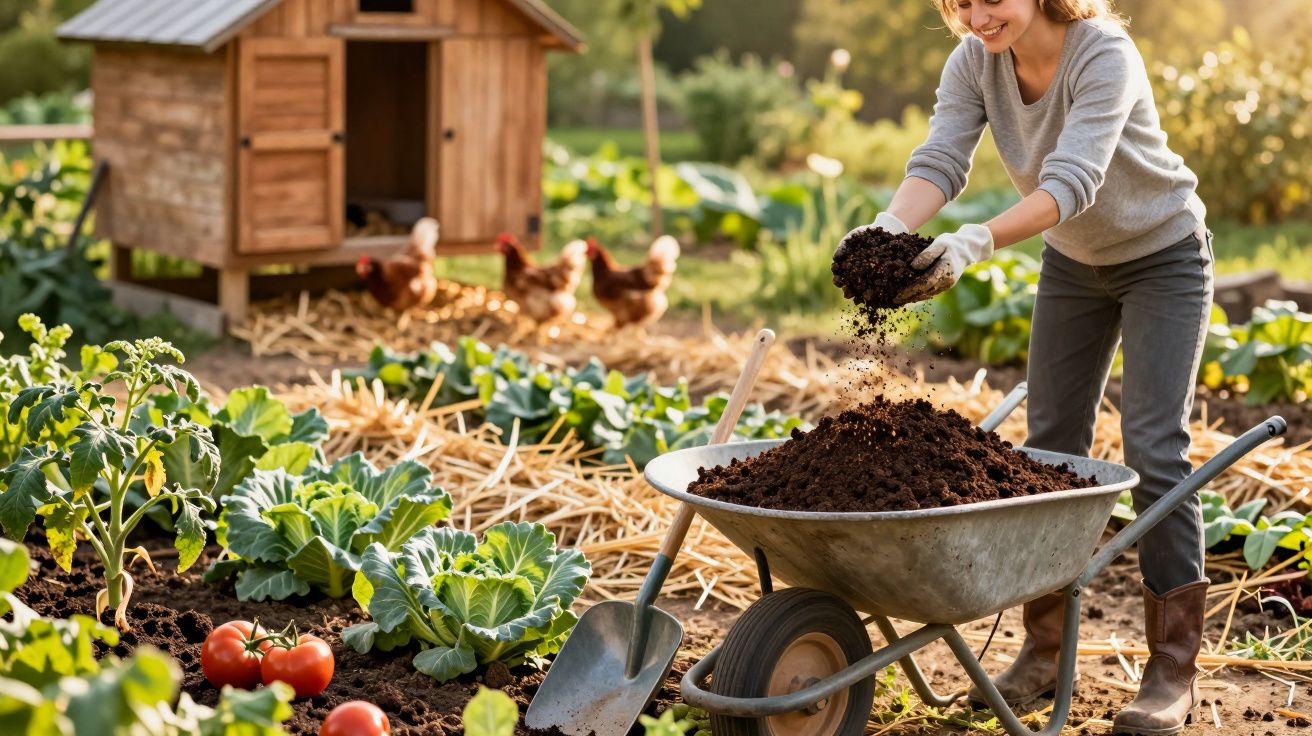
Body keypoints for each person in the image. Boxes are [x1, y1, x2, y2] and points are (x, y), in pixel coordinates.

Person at [836, 1, 1212, 733]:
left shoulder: (1103, 53)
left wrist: (977, 240)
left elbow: (1075, 180)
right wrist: (887, 230)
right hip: (1074, 264)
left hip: (1162, 257)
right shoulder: (975, 62)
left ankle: (1172, 668)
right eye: (962, 1)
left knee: (1154, 448)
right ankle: (1045, 649)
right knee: (1050, 450)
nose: (978, 16)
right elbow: (942, 158)